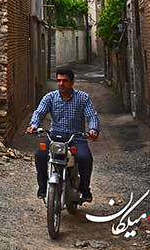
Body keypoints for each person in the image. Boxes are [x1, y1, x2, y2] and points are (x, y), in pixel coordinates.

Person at [26, 67, 99, 202]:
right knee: (40, 155)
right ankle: (42, 188)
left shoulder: (83, 98)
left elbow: (91, 116)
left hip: (76, 138)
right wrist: (34, 125)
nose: (61, 84)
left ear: (72, 82)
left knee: (85, 157)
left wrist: (93, 129)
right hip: (55, 136)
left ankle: (84, 189)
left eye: (65, 81)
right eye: (59, 80)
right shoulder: (50, 97)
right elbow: (39, 112)